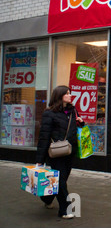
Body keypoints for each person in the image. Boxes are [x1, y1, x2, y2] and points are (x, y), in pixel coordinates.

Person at [36, 85, 84, 219]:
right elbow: (44, 137)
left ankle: (46, 198)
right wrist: (40, 159)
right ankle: (65, 209)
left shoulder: (72, 110)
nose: (70, 95)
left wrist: (82, 122)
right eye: (67, 93)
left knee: (60, 180)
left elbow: (77, 126)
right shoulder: (49, 113)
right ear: (59, 96)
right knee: (60, 181)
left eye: (70, 93)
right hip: (55, 153)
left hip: (69, 151)